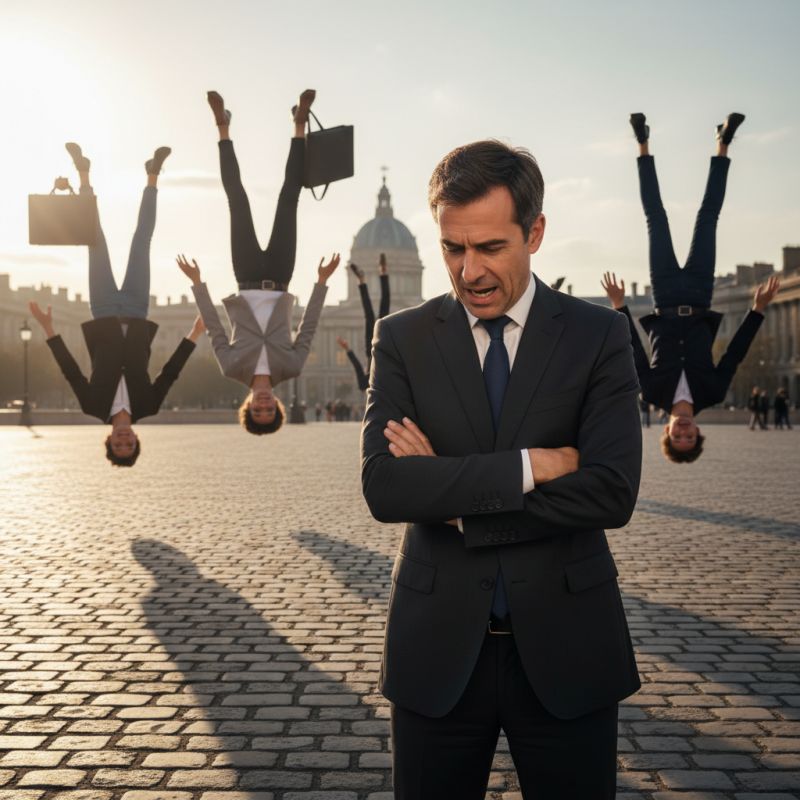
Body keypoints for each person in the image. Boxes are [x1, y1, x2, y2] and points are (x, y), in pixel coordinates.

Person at [360, 139, 642, 799]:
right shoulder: (400, 338)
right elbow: (386, 486)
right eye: (453, 249)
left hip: (569, 645)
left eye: (490, 248)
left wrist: (455, 500)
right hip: (436, 651)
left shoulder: (598, 335)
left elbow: (610, 492)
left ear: (535, 231)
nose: (470, 272)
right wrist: (530, 467)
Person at [602, 112, 780, 463]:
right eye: (689, 436)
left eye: (677, 436)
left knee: (655, 217)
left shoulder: (651, 392)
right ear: (698, 433)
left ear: (667, 432)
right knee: (708, 217)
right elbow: (735, 354)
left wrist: (619, 307)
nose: (683, 430)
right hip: (700, 292)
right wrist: (757, 310)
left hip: (665, 293)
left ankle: (642, 143)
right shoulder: (712, 393)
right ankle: (723, 143)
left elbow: (633, 350)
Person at [177, 89, 340, 436]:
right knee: (289, 198)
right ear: (276, 406)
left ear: (247, 406)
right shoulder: (291, 368)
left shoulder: (231, 367)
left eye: (258, 410)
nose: (264, 403)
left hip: (246, 274)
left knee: (236, 199)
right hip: (282, 275)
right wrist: (321, 282)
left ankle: (223, 129)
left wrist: (197, 283)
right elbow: (308, 327)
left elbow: (215, 327)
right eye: (269, 409)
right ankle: (299, 125)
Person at [29, 143, 203, 467]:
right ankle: (153, 173)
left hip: (104, 307)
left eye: (118, 446)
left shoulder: (92, 406)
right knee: (143, 239)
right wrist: (194, 333)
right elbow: (170, 372)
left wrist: (49, 328)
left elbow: (70, 370)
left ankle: (83, 172)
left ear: (108, 440)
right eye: (130, 445)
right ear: (137, 440)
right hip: (137, 309)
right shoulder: (148, 405)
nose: (124, 441)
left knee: (94, 240)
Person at [336, 253, 391, 391]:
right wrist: (348, 349)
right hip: (374, 347)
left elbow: (357, 368)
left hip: (380, 347)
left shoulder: (384, 384)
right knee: (370, 314)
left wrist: (348, 349)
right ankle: (363, 280)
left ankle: (380, 274)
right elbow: (358, 367)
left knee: (380, 310)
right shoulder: (367, 385)